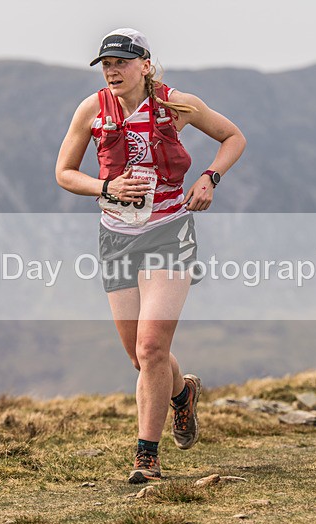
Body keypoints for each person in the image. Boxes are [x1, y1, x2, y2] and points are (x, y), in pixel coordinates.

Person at [56, 29, 245, 483]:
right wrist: (106, 187)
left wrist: (210, 179)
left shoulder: (177, 104)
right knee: (140, 358)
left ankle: (146, 456)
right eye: (106, 64)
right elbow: (63, 173)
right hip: (117, 236)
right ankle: (183, 394)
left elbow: (233, 137)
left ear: (145, 64)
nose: (113, 70)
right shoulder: (92, 109)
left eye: (121, 62)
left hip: (169, 232)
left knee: (152, 345)